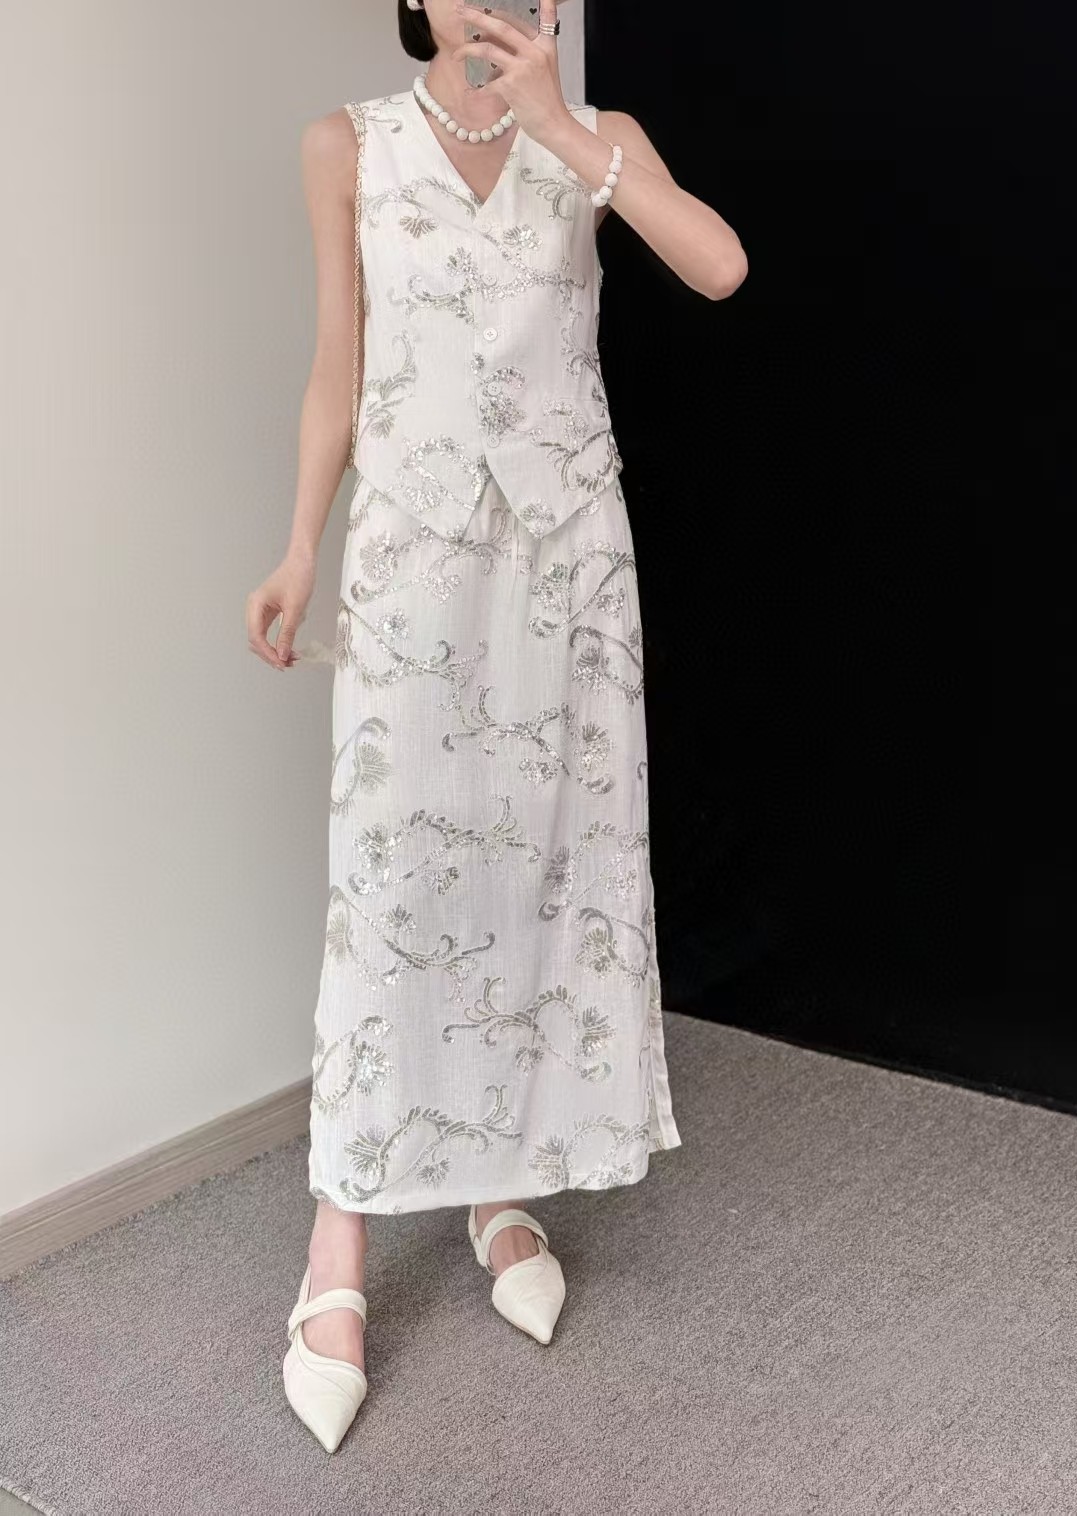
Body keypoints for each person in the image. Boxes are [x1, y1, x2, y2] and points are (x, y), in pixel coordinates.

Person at [245, 0, 746, 1453]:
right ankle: (339, 1241)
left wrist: (563, 134)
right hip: (413, 562)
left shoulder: (594, 139)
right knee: (393, 888)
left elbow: (718, 266)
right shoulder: (345, 146)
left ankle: (499, 1185)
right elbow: (339, 365)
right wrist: (299, 546)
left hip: (566, 570)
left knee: (538, 875)